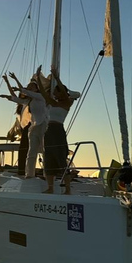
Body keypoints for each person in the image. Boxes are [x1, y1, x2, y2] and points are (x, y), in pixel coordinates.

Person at [43, 66, 80, 194]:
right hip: (49, 131)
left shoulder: (67, 103)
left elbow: (64, 93)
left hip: (58, 130)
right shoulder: (52, 102)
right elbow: (43, 94)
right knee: (48, 158)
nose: (55, 94)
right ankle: (50, 187)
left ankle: (68, 189)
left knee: (60, 158)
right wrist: (37, 79)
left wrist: (57, 77)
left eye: (56, 91)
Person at [6, 71, 48, 179]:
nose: (29, 88)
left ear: (36, 88)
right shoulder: (29, 101)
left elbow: (28, 93)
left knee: (45, 151)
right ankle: (29, 174)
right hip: (34, 127)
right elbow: (17, 99)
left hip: (43, 125)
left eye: (31, 87)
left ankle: (46, 174)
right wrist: (7, 97)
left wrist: (20, 88)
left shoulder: (40, 96)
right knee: (31, 152)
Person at [1, 74, 31, 176]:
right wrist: (7, 81)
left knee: (27, 150)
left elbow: (22, 89)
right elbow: (12, 94)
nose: (22, 94)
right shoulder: (21, 104)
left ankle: (26, 170)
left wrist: (15, 79)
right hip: (24, 129)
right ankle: (23, 170)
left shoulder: (28, 102)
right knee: (23, 150)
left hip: (30, 128)